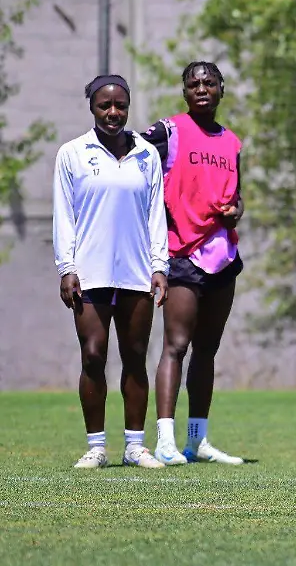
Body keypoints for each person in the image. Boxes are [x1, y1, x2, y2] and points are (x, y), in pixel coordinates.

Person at [53, 75, 169, 469]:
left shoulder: (147, 155)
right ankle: (96, 447)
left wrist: (160, 266)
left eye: (120, 105)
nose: (113, 112)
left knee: (135, 356)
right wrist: (67, 268)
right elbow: (63, 215)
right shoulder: (72, 153)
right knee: (92, 355)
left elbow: (156, 215)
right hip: (89, 272)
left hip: (137, 271)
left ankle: (135, 447)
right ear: (92, 107)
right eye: (105, 105)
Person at [142, 61, 246, 466]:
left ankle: (196, 440)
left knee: (207, 349)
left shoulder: (232, 142)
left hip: (222, 256)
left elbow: (238, 197)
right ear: (185, 92)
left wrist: (236, 212)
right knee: (176, 345)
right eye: (193, 83)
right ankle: (165, 441)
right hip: (182, 253)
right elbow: (132, 159)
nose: (202, 88)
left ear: (221, 89)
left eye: (209, 82)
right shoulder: (168, 131)